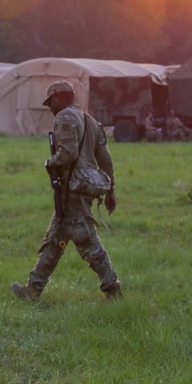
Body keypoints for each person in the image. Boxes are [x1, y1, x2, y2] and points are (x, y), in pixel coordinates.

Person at [10, 81, 121, 301]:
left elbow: (68, 153)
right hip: (84, 187)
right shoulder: (90, 121)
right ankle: (33, 289)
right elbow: (105, 159)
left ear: (60, 97)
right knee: (55, 240)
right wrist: (110, 191)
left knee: (86, 240)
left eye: (50, 101)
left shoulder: (65, 118)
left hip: (73, 189)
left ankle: (112, 287)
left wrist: (50, 163)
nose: (50, 107)